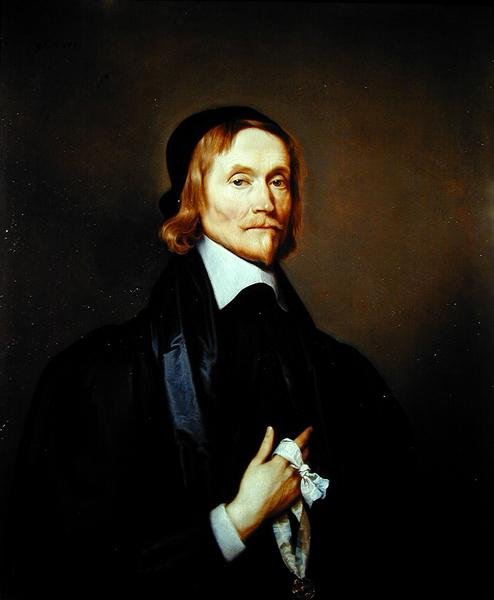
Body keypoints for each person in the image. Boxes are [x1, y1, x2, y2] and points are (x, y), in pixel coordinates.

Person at [6, 106, 417, 600]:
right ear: (192, 197)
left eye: (278, 181)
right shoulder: (106, 371)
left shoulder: (344, 370)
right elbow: (70, 569)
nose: (266, 202)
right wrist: (238, 519)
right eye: (240, 181)